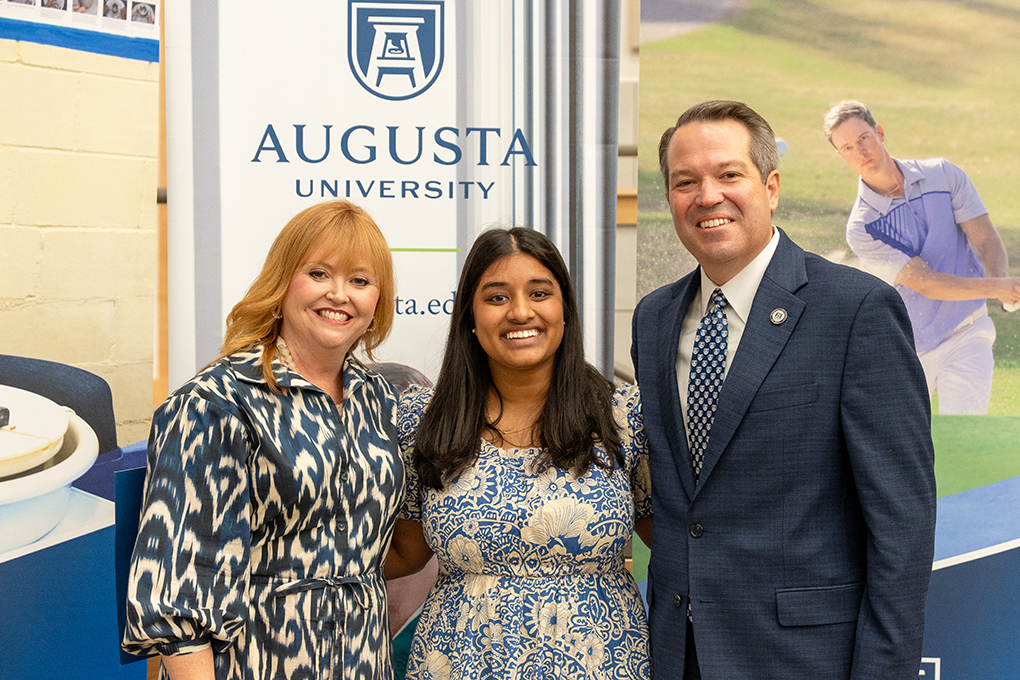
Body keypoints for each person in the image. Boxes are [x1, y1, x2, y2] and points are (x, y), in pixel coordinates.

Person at [632, 100, 936, 679]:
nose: (707, 196)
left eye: (729, 174)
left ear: (770, 187)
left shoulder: (857, 312)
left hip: (803, 661)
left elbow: (902, 527)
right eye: (684, 181)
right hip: (679, 656)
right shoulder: (653, 319)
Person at [123, 200, 403, 680]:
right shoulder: (216, 403)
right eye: (319, 273)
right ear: (282, 280)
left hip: (364, 663)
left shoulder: (379, 399)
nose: (340, 294)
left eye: (360, 280)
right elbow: (178, 592)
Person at [385, 227, 654, 679]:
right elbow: (404, 552)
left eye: (539, 292)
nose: (520, 311)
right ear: (470, 315)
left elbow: (675, 543)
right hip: (460, 663)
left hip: (601, 662)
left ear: (564, 310)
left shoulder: (622, 419)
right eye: (496, 297)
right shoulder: (424, 421)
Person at [823, 99, 1020, 414]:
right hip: (911, 349)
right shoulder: (862, 227)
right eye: (847, 148)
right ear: (840, 156)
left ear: (880, 133)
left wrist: (1001, 285)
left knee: (963, 436)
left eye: (863, 138)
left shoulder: (942, 174)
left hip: (968, 330)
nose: (860, 152)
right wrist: (996, 288)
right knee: (904, 449)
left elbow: (984, 236)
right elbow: (925, 283)